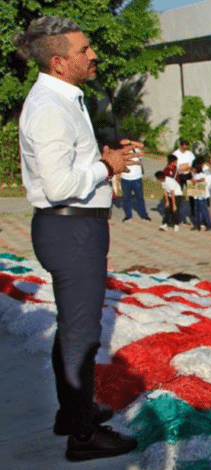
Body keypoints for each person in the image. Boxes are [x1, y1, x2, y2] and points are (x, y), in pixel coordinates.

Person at [15, 15, 139, 461]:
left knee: (72, 328)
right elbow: (60, 184)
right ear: (59, 61)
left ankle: (72, 413)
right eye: (84, 50)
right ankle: (83, 437)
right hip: (71, 229)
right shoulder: (50, 106)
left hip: (74, 227)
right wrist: (108, 167)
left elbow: (68, 166)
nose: (94, 54)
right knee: (83, 335)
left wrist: (103, 159)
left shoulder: (63, 96)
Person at [119, 146, 150, 222]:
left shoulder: (137, 150)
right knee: (126, 198)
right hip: (125, 178)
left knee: (139, 197)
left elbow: (142, 147)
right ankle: (128, 216)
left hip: (136, 178)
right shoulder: (121, 152)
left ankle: (144, 215)